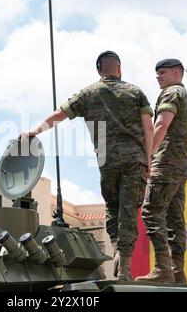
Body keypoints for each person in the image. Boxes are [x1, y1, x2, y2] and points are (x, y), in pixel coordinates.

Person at [20, 51, 154, 281]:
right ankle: (125, 267)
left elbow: (59, 114)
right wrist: (149, 160)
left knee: (113, 210)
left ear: (99, 70)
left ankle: (118, 252)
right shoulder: (135, 92)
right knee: (129, 211)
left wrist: (34, 131)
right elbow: (149, 128)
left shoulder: (89, 93)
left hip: (108, 162)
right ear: (119, 69)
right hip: (135, 161)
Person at [136, 59, 187, 284]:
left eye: (162, 72)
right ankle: (177, 272)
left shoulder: (171, 93)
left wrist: (148, 156)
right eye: (157, 73)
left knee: (151, 212)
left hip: (166, 163)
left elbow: (161, 124)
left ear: (176, 73)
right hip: (181, 167)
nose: (158, 76)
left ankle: (163, 269)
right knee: (175, 219)